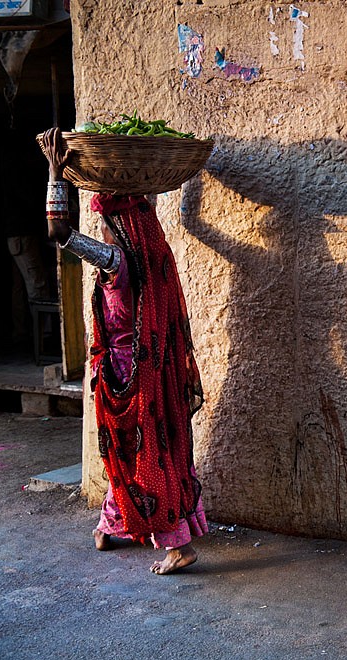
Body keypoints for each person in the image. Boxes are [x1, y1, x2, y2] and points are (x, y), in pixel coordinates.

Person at [41, 128, 207, 575]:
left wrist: (56, 173)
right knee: (129, 448)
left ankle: (177, 543)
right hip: (149, 368)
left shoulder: (116, 262)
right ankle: (113, 520)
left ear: (117, 228)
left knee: (142, 451)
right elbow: (144, 200)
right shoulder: (151, 254)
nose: (100, 230)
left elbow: (58, 231)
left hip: (126, 375)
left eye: (104, 225)